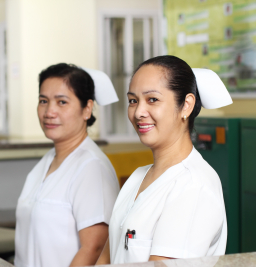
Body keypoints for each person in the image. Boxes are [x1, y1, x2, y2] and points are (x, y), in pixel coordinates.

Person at [96, 55, 232, 264]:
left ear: (186, 105)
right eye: (133, 101)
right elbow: (108, 257)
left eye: (152, 99)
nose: (139, 112)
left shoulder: (193, 185)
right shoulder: (137, 177)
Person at [14, 63, 120, 267]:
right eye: (43, 101)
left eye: (62, 102)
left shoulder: (91, 168)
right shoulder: (46, 162)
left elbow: (94, 248)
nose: (49, 112)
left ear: (86, 109)